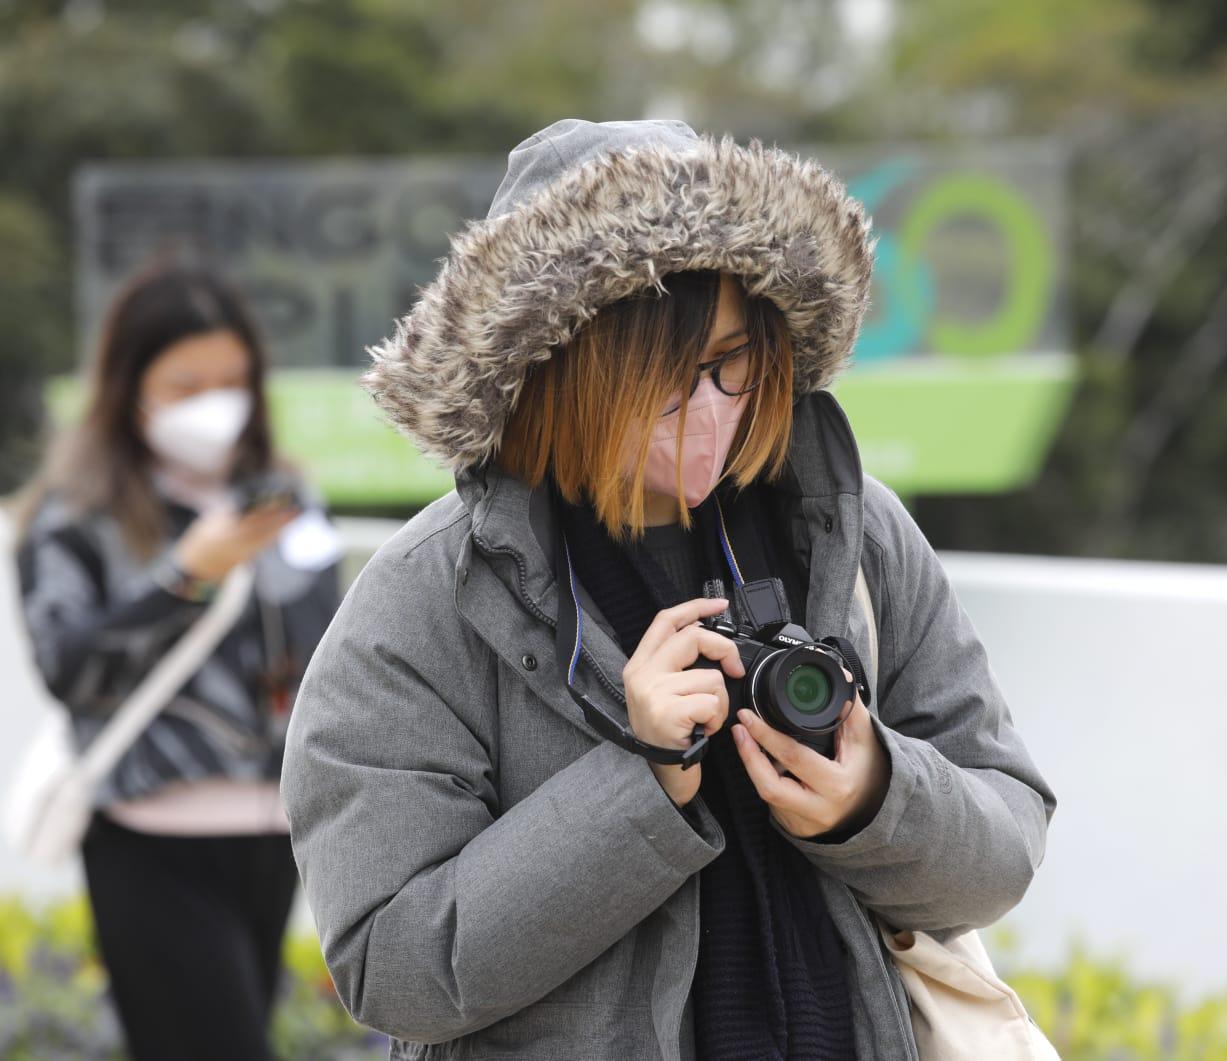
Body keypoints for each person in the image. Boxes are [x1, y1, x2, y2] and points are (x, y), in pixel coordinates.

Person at [282, 118, 1056, 1061]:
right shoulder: (422, 603)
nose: (709, 412)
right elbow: (392, 969)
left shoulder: (848, 532)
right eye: (658, 379)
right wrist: (640, 783)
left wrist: (871, 795)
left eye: (730, 362)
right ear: (557, 367)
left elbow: (1005, 843)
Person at [11, 259, 343, 1061]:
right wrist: (186, 574)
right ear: (132, 388)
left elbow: (329, 652)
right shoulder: (75, 516)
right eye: (187, 383)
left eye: (232, 379)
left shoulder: (284, 498)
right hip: (148, 836)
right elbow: (69, 668)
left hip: (273, 833)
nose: (215, 403)